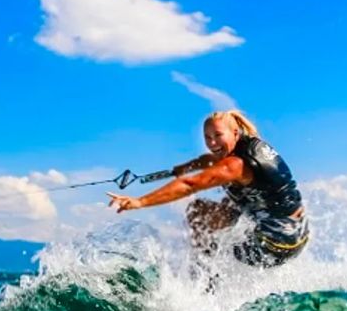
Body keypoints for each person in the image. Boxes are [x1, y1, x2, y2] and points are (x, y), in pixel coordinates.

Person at [107, 110, 309, 267]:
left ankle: (205, 277)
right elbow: (210, 160)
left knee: (197, 211)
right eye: (207, 137)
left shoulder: (234, 166)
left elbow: (190, 184)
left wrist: (140, 201)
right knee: (229, 203)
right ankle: (212, 266)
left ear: (235, 133)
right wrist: (185, 168)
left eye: (218, 135)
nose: (212, 143)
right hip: (297, 235)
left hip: (272, 247)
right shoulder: (249, 147)